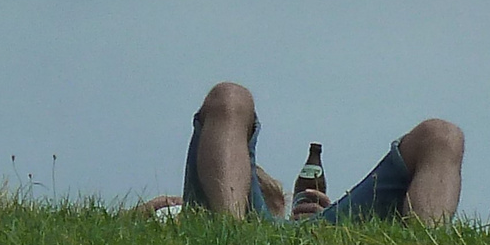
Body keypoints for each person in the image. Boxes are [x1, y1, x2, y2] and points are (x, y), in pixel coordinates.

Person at [142, 81, 465, 225]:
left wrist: (323, 219)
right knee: (230, 96)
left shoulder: (315, 222)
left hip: (327, 235)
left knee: (441, 134)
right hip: (229, 228)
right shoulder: (186, 217)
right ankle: (230, 234)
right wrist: (140, 216)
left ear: (282, 205)